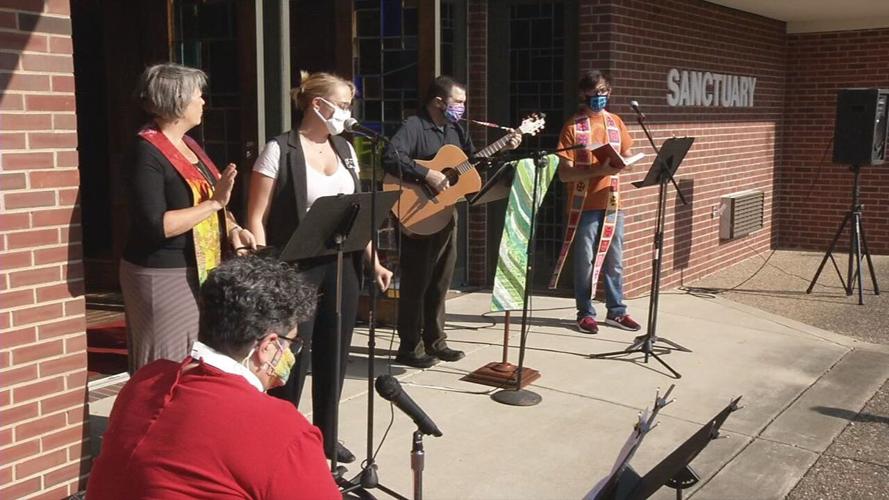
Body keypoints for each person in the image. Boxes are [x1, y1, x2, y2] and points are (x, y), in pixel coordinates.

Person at [87, 256, 339, 499]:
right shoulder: (283, 429)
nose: (291, 354)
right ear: (268, 346)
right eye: (292, 343)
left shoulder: (146, 381)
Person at [245, 71, 392, 464]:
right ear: (317, 105)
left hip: (341, 264)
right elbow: (256, 216)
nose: (347, 112)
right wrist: (264, 266)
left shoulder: (345, 149)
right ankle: (281, 435)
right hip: (295, 267)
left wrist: (374, 261)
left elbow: (357, 212)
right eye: (343, 105)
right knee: (291, 356)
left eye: (349, 105)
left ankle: (327, 434)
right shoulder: (280, 149)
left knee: (335, 351)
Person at [120, 63, 256, 374]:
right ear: (178, 100)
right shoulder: (147, 153)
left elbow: (209, 198)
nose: (204, 102)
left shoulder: (188, 144)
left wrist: (233, 228)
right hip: (163, 273)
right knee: (166, 367)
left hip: (200, 269)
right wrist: (214, 204)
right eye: (199, 95)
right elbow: (156, 225)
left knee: (195, 364)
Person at [382, 76, 520, 368]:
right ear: (438, 102)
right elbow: (390, 157)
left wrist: (505, 147)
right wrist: (426, 174)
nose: (462, 107)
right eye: (458, 102)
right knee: (415, 283)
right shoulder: (414, 126)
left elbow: (470, 164)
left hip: (445, 212)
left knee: (441, 281)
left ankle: (436, 341)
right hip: (415, 213)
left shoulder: (455, 129)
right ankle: (409, 346)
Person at [556, 70, 641, 334]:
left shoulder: (615, 121)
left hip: (613, 202)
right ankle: (585, 313)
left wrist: (625, 161)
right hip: (584, 205)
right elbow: (564, 173)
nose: (599, 96)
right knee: (585, 262)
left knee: (614, 261)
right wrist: (597, 171)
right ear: (583, 94)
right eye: (594, 92)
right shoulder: (572, 127)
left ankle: (616, 311)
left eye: (603, 90)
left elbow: (626, 152)